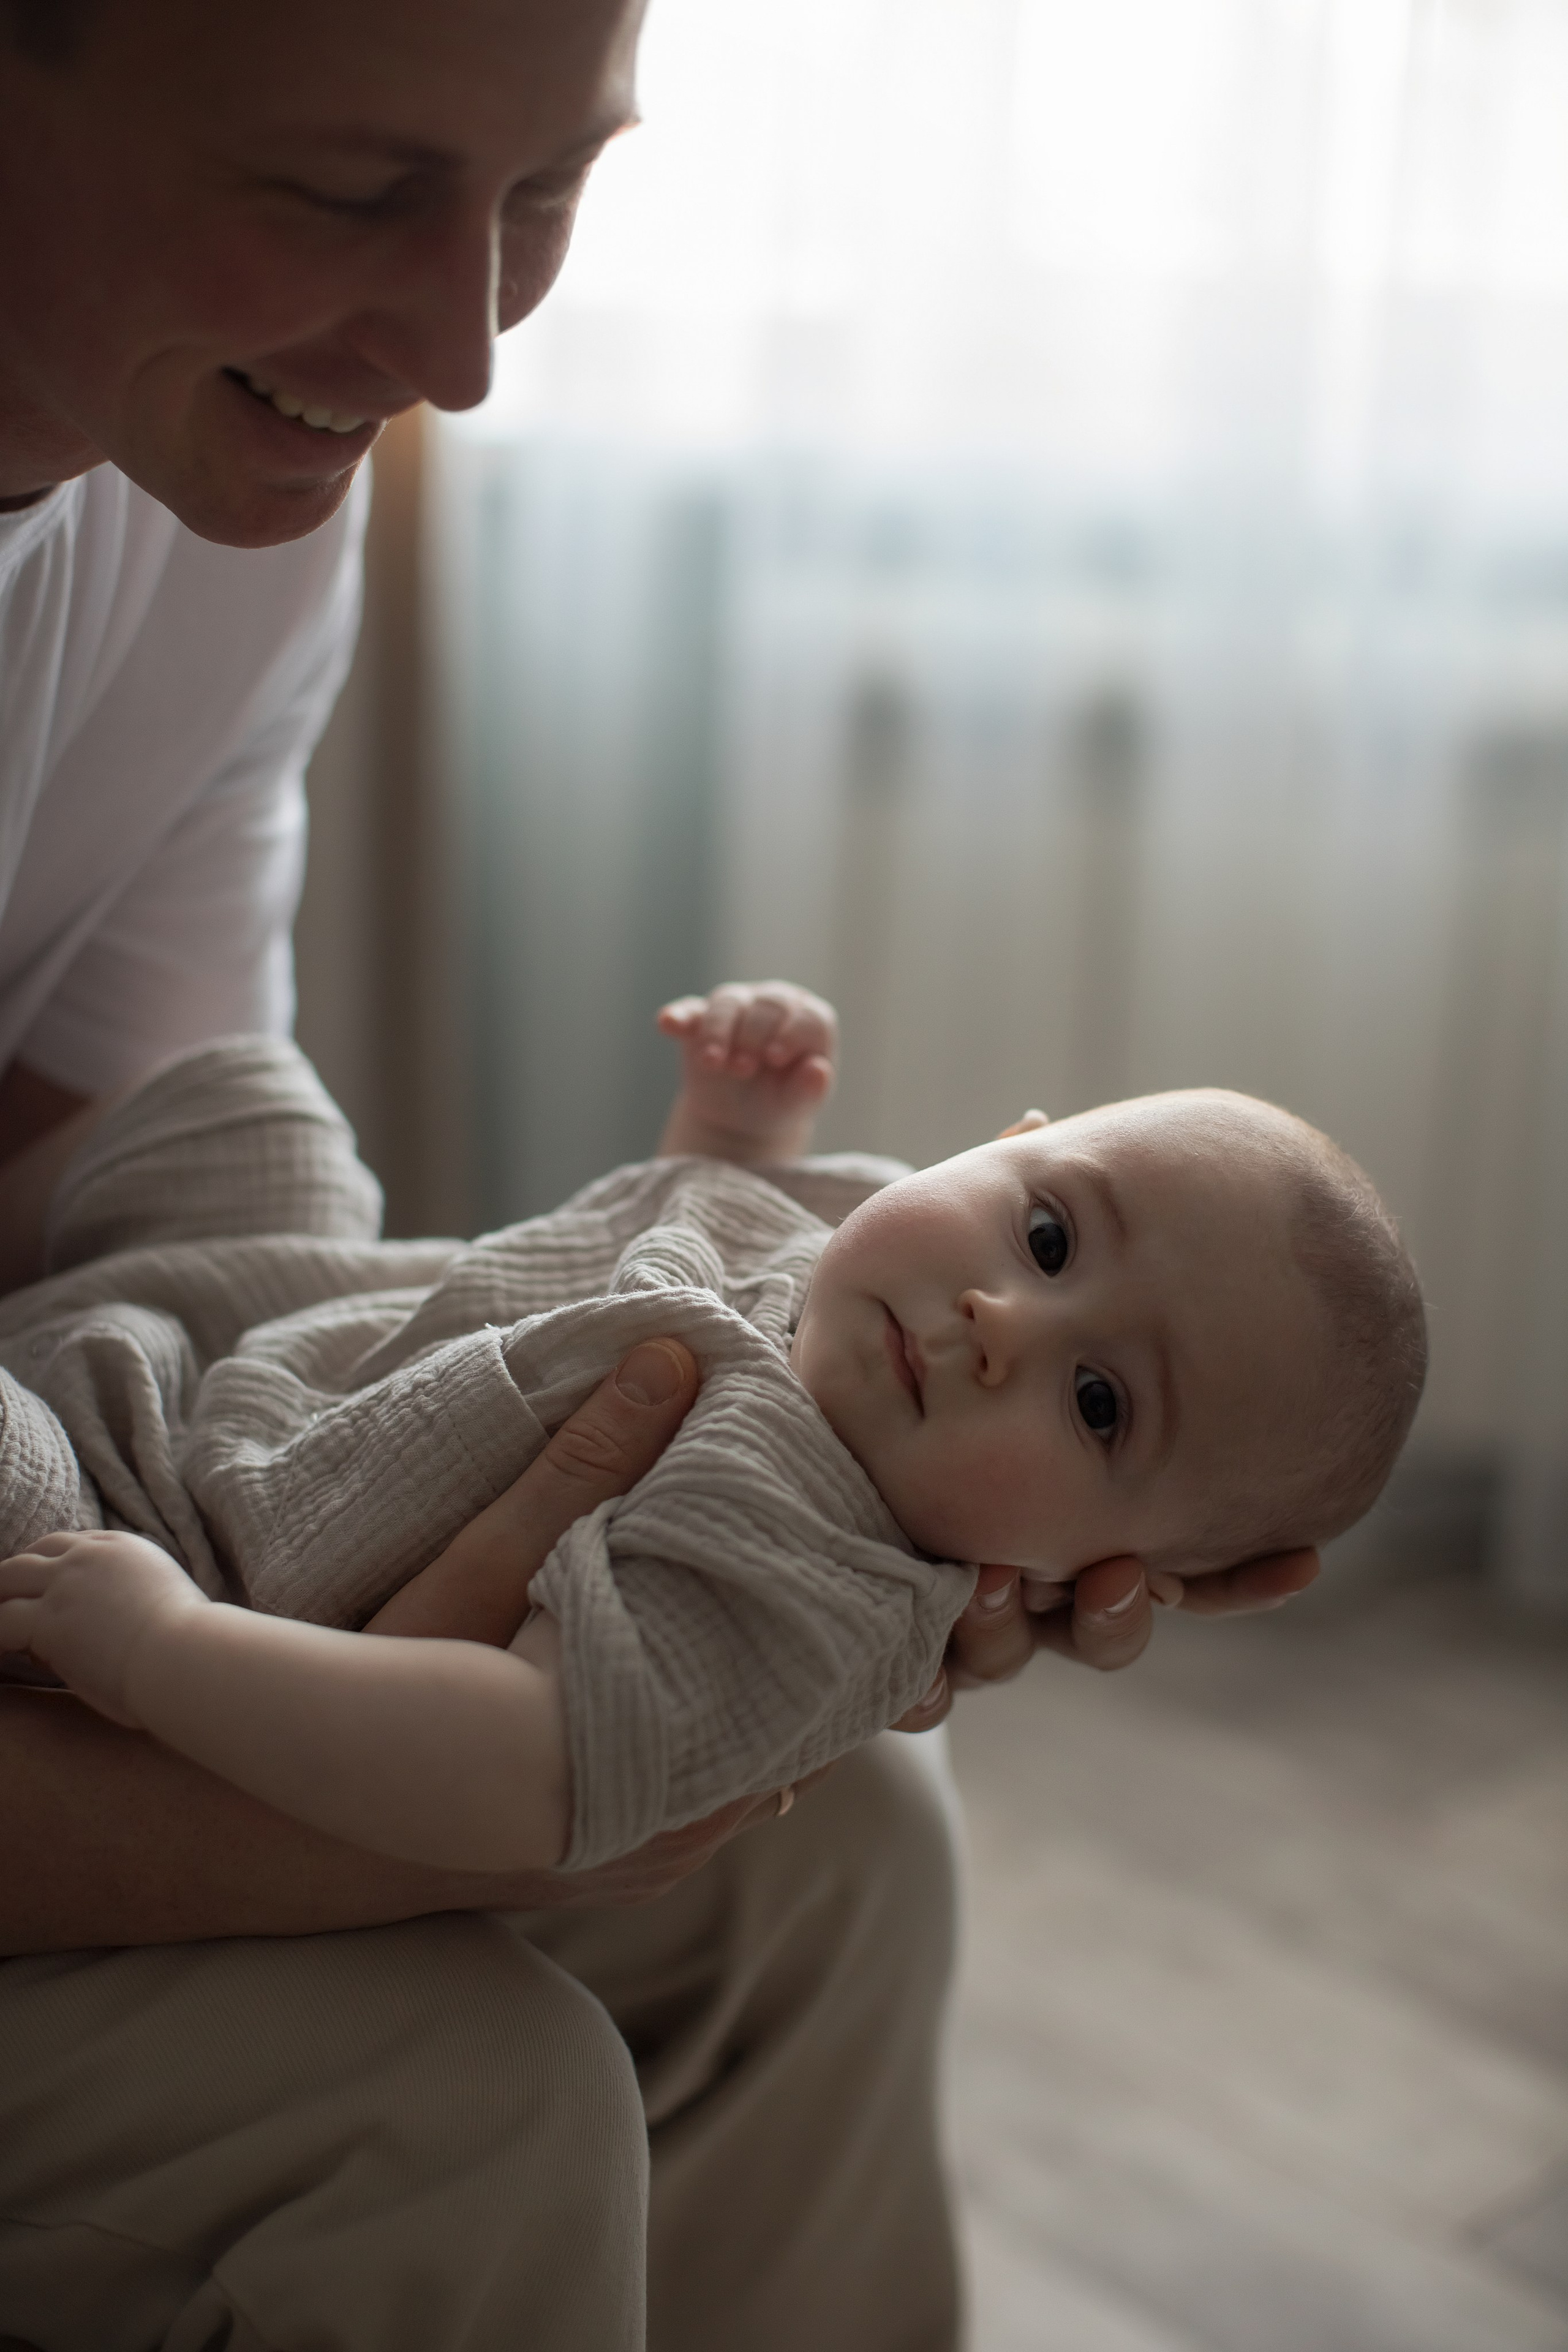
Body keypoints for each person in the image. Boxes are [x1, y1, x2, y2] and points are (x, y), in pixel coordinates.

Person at [0, 4, 1324, 2345]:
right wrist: (363, 1778)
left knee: (848, 1861)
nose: (460, 352)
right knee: (459, 2106)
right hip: (100, 1588)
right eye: (345, 191)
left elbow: (141, 1129)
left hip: (155, 1464)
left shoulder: (218, 497)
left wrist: (798, 1528)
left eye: (545, 196)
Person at [0, 985, 1425, 1885]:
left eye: (1098, 1403)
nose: (1003, 1320)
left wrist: (163, 1649)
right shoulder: (860, 1243)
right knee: (252, 1101)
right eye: (1047, 1231)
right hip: (252, 1350)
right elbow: (661, 1237)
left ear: (1091, 1567)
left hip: (166, 1531)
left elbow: (524, 1766)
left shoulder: (807, 1577)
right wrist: (730, 1142)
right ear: (1004, 1138)